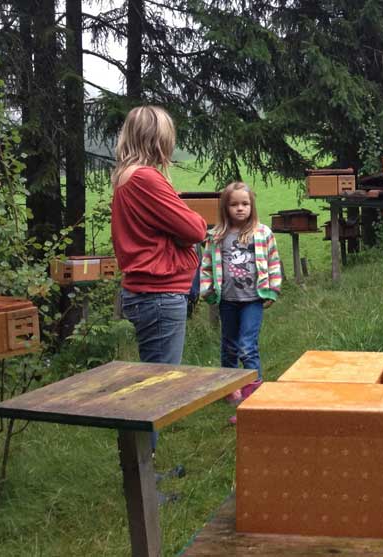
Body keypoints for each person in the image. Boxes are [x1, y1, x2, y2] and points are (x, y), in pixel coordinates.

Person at [112, 106, 207, 367]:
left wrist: (178, 231)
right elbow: (195, 229)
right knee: (160, 385)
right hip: (158, 294)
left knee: (154, 379)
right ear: (156, 138)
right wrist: (184, 229)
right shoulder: (145, 178)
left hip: (147, 294)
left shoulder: (126, 176)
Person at [199, 182, 282, 424]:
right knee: (229, 346)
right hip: (227, 301)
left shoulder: (262, 233)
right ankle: (229, 387)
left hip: (252, 301)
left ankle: (252, 400)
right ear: (225, 208)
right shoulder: (216, 237)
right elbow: (205, 266)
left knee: (247, 346)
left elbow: (274, 262)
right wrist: (208, 291)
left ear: (252, 206)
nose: (240, 209)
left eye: (244, 204)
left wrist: (272, 290)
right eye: (234, 204)